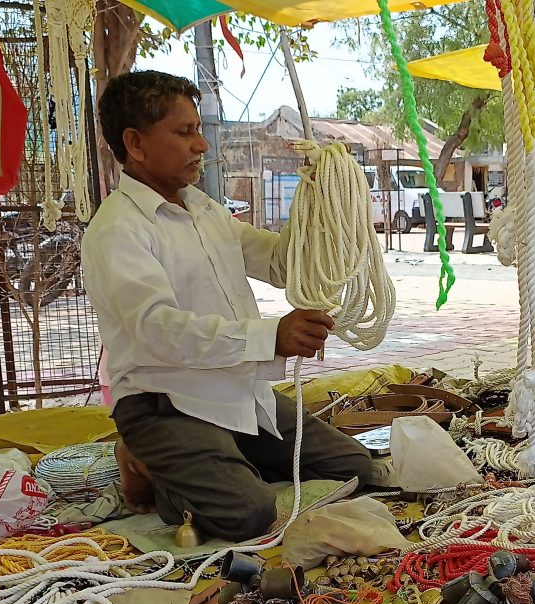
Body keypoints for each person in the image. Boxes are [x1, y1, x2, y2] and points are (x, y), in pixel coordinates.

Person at [82, 70, 372, 540]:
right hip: (167, 403)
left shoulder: (205, 209)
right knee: (248, 514)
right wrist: (270, 337)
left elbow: (281, 264)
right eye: (185, 132)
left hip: (236, 393)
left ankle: (221, 458)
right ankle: (153, 464)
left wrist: (318, 202)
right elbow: (158, 331)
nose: (202, 145)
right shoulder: (118, 230)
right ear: (135, 143)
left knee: (355, 467)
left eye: (198, 129)